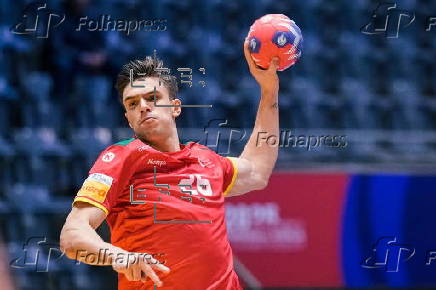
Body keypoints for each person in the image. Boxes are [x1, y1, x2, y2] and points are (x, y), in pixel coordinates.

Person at [60, 41, 280, 290]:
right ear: (128, 119)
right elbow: (72, 237)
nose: (143, 106)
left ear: (175, 108)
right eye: (132, 104)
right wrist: (120, 257)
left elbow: (258, 170)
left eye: (152, 98)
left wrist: (269, 92)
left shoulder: (206, 160)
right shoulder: (120, 157)